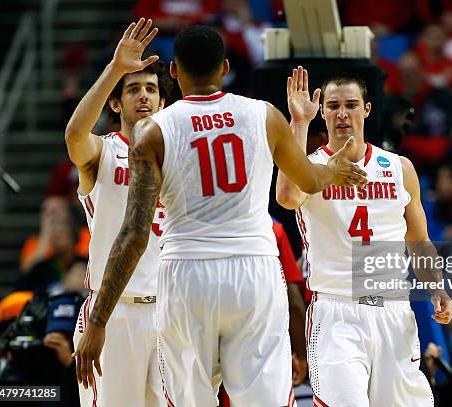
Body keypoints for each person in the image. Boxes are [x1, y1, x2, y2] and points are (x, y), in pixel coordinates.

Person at [73, 23, 367, 407]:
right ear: (225, 67)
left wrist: (97, 321)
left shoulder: (153, 131)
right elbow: (309, 181)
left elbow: (134, 233)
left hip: (186, 274)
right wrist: (333, 169)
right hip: (253, 270)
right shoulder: (263, 115)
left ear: (174, 73)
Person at [276, 67, 452, 406]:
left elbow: (419, 241)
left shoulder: (399, 167)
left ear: (367, 109)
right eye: (332, 106)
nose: (342, 113)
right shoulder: (311, 168)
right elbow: (286, 196)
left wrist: (436, 288)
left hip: (393, 311)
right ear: (322, 112)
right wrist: (299, 123)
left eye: (350, 104)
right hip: (336, 312)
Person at [64, 18, 171, 406]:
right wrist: (115, 70)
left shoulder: (178, 157)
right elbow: (74, 136)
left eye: (150, 89)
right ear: (116, 101)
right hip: (113, 313)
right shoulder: (102, 152)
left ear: (162, 102)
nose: (143, 95)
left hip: (170, 311)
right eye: (133, 89)